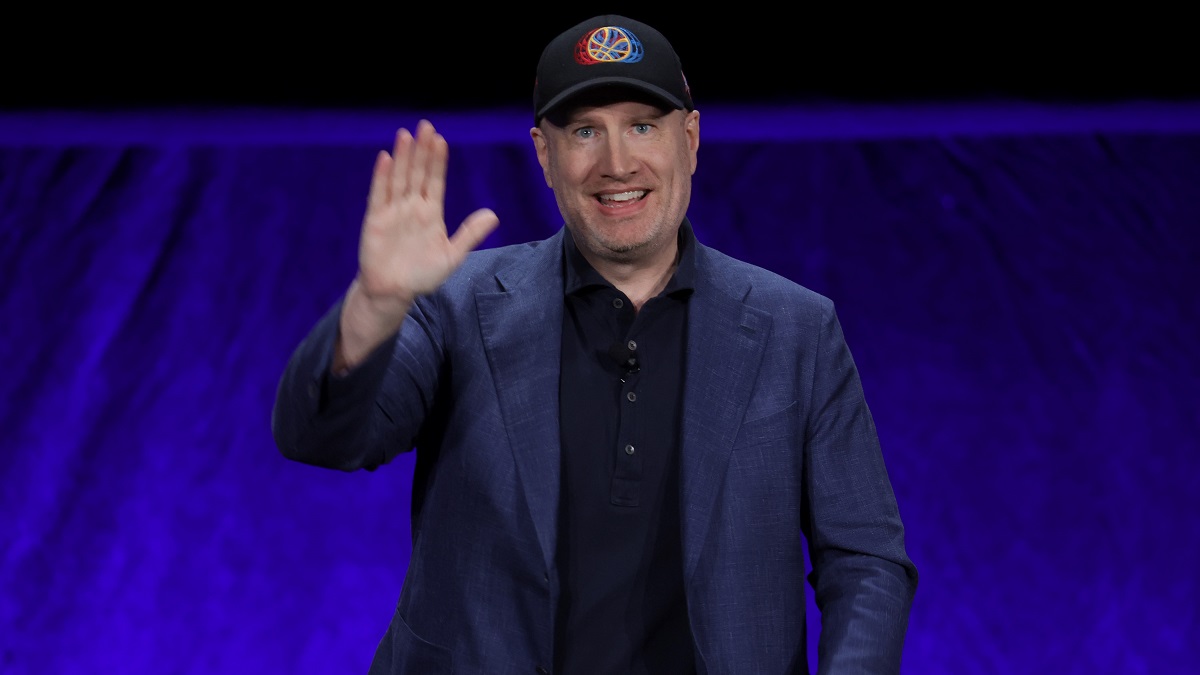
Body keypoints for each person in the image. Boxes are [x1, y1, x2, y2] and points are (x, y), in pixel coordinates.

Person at [271, 14, 917, 675]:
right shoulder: (454, 303)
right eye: (584, 131)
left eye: (642, 125)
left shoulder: (798, 330)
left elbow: (866, 561)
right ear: (544, 154)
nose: (616, 163)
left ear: (689, 140)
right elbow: (323, 438)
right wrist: (375, 306)